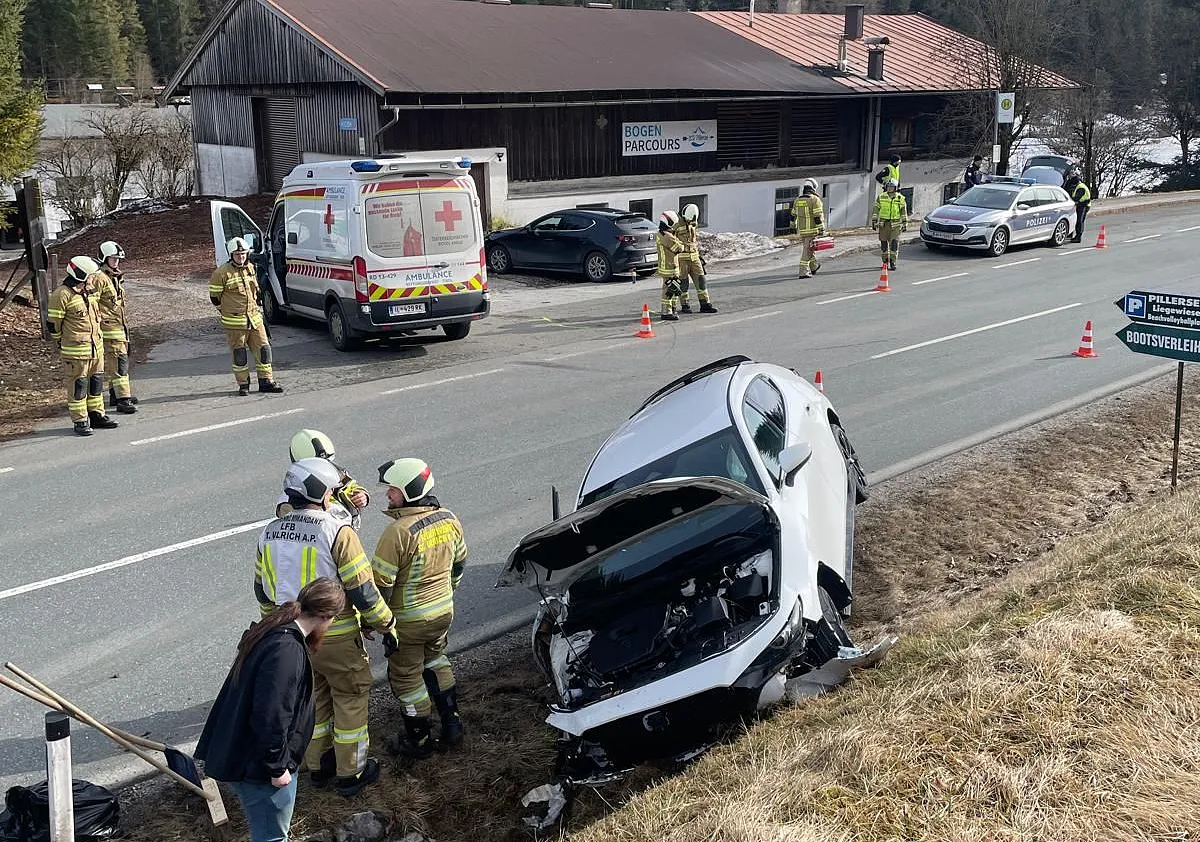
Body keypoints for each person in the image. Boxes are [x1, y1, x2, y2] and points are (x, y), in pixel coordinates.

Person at [255, 458, 397, 797]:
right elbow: (362, 589)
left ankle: (317, 766)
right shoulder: (337, 531)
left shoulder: (269, 531)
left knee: (313, 701)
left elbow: (262, 591)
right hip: (334, 634)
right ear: (321, 492)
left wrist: (273, 631)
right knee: (350, 697)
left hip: (290, 637)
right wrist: (386, 624)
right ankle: (352, 773)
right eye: (332, 491)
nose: (334, 497)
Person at [195, 578, 346, 842]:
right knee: (271, 837)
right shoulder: (287, 653)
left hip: (249, 759)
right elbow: (271, 716)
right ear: (325, 616)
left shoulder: (277, 629)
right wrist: (277, 769)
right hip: (260, 769)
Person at [372, 458, 468, 759]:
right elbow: (459, 564)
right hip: (442, 613)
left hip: (409, 622)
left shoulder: (398, 532)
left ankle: (420, 740)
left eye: (393, 490)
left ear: (409, 492)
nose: (388, 495)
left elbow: (381, 584)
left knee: (407, 678)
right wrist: (448, 592)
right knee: (437, 661)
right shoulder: (449, 519)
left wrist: (379, 622)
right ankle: (452, 723)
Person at [46, 256, 119, 436]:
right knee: (78, 385)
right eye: (92, 275)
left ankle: (96, 415)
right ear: (81, 274)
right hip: (76, 352)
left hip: (96, 350)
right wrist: (60, 341)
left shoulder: (89, 292)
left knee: (95, 385)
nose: (95, 278)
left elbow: (107, 304)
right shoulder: (61, 295)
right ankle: (80, 420)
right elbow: (53, 324)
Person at [209, 237, 283, 396]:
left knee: (264, 350)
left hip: (255, 320)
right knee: (240, 355)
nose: (241, 257)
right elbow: (215, 297)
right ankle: (243, 384)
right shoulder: (221, 273)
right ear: (231, 255)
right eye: (237, 254)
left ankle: (266, 382)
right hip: (235, 323)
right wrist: (226, 311)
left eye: (243, 254)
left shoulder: (251, 268)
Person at [276, 429, 371, 530]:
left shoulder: (334, 471)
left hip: (344, 531)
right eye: (320, 464)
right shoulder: (292, 495)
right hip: (325, 537)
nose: (326, 467)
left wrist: (362, 495)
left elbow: (349, 485)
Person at [93, 241, 137, 414]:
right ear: (104, 258)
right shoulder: (99, 278)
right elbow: (92, 305)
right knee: (119, 363)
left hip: (119, 328)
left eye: (118, 259)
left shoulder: (113, 277)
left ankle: (114, 394)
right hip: (109, 330)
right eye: (113, 259)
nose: (116, 262)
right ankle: (123, 399)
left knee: (118, 361)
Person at [672, 204, 717, 314]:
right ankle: (685, 305)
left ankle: (705, 304)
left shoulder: (693, 220)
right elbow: (670, 241)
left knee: (701, 280)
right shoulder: (675, 224)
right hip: (681, 258)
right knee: (683, 283)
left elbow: (693, 240)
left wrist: (699, 256)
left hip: (694, 256)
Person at [871, 178, 909, 271]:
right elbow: (876, 209)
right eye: (888, 187)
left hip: (895, 225)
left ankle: (893, 261)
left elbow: (903, 212)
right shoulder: (881, 197)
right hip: (883, 225)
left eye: (892, 187)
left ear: (895, 188)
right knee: (884, 244)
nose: (890, 188)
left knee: (894, 244)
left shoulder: (900, 198)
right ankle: (885, 262)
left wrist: (904, 224)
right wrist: (874, 221)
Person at [791, 179, 826, 279]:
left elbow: (793, 215)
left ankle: (814, 267)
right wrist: (822, 229)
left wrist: (793, 226)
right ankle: (803, 272)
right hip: (812, 230)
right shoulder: (814, 199)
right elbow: (817, 217)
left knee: (810, 248)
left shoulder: (797, 200)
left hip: (802, 230)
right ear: (813, 188)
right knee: (807, 251)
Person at [655, 210, 684, 322]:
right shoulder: (667, 236)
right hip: (669, 267)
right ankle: (667, 312)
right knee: (669, 290)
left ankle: (671, 309)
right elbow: (678, 248)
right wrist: (679, 242)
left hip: (668, 266)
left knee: (673, 288)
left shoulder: (661, 234)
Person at [1063, 169, 1092, 243]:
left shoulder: (1081, 187)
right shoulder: (1078, 185)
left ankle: (1078, 237)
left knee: (1079, 221)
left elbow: (1077, 198)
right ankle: (1071, 234)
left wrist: (1070, 200)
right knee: (1075, 220)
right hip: (1080, 205)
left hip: (1083, 206)